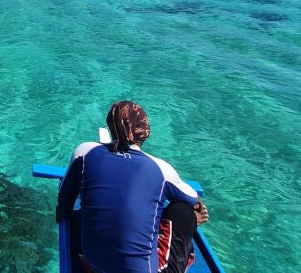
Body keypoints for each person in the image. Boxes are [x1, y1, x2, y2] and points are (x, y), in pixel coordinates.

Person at [56, 101, 209, 273]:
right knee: (183, 211)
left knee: (84, 212)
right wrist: (193, 216)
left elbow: (63, 204)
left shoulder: (84, 152)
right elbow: (194, 201)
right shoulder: (162, 169)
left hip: (93, 265)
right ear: (145, 133)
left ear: (110, 125)